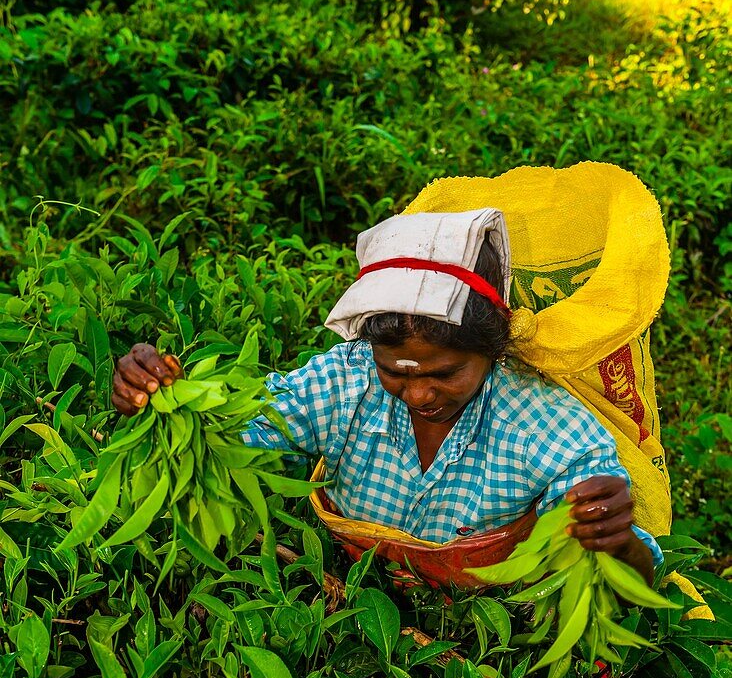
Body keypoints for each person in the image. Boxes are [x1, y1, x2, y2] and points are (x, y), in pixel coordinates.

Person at [112, 208, 661, 584]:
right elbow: (244, 436)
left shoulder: (550, 431)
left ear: (494, 349)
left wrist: (614, 539)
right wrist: (166, 397)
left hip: (486, 643)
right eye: (394, 371)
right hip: (347, 604)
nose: (419, 392)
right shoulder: (345, 381)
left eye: (445, 373)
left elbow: (634, 572)